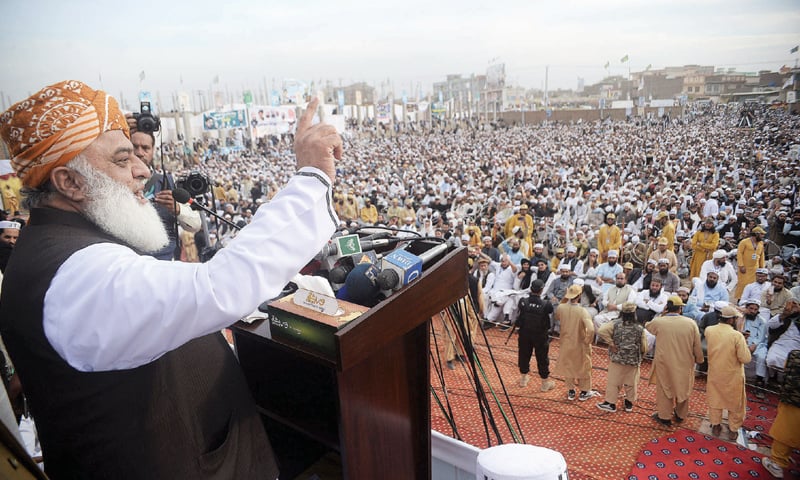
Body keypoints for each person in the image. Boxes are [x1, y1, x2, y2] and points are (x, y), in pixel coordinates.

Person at [0, 81, 341, 479]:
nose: (144, 170)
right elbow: (218, 287)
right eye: (122, 159)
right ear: (69, 183)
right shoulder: (75, 275)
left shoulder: (65, 246)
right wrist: (312, 176)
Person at [128, 127, 201, 260]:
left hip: (163, 261)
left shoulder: (165, 182)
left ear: (153, 150)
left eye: (145, 148)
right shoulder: (116, 182)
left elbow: (195, 224)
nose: (139, 153)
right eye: (134, 147)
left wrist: (177, 209)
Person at [645, 295, 705, 426]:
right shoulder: (691, 323)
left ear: (667, 307)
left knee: (665, 389)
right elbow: (697, 345)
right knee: (683, 388)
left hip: (664, 363)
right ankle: (680, 415)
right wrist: (699, 359)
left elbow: (648, 326)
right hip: (685, 363)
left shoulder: (659, 322)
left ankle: (664, 417)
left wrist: (662, 314)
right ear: (680, 309)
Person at [705, 305, 751, 441]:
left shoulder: (709, 330)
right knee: (736, 403)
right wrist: (744, 341)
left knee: (715, 399)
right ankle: (733, 429)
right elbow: (745, 358)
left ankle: (715, 424)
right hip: (733, 375)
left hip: (715, 372)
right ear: (732, 320)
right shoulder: (737, 336)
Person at [596, 302, 648, 413]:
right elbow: (644, 346)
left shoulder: (615, 324)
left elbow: (601, 331)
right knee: (631, 382)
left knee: (614, 381)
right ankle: (629, 404)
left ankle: (610, 403)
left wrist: (611, 343)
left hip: (617, 358)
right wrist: (640, 356)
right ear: (634, 313)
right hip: (633, 360)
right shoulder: (639, 328)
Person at [761, 349, 800, 479]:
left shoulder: (795, 356)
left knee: (785, 431)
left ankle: (777, 464)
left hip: (794, 403)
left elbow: (787, 378)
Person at [553, 284, 597, 401]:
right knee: (584, 367)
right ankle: (584, 391)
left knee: (569, 367)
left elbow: (557, 317)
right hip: (579, 343)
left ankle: (571, 391)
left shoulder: (561, 308)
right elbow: (591, 329)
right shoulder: (582, 311)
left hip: (565, 343)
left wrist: (565, 298)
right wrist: (588, 341)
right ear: (579, 296)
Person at [516, 280, 555, 391]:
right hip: (540, 335)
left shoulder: (523, 301)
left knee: (523, 355)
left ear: (531, 289)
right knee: (542, 357)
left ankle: (523, 379)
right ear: (542, 290)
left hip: (525, 334)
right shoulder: (546, 304)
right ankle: (544, 383)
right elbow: (551, 311)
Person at [734, 226, 766, 300]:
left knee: (754, 285)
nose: (763, 236)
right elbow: (739, 254)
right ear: (756, 234)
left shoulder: (761, 243)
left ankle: (752, 300)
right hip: (745, 268)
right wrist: (741, 265)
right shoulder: (744, 242)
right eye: (761, 234)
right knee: (743, 284)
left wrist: (762, 268)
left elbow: (762, 256)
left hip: (755, 268)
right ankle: (740, 299)